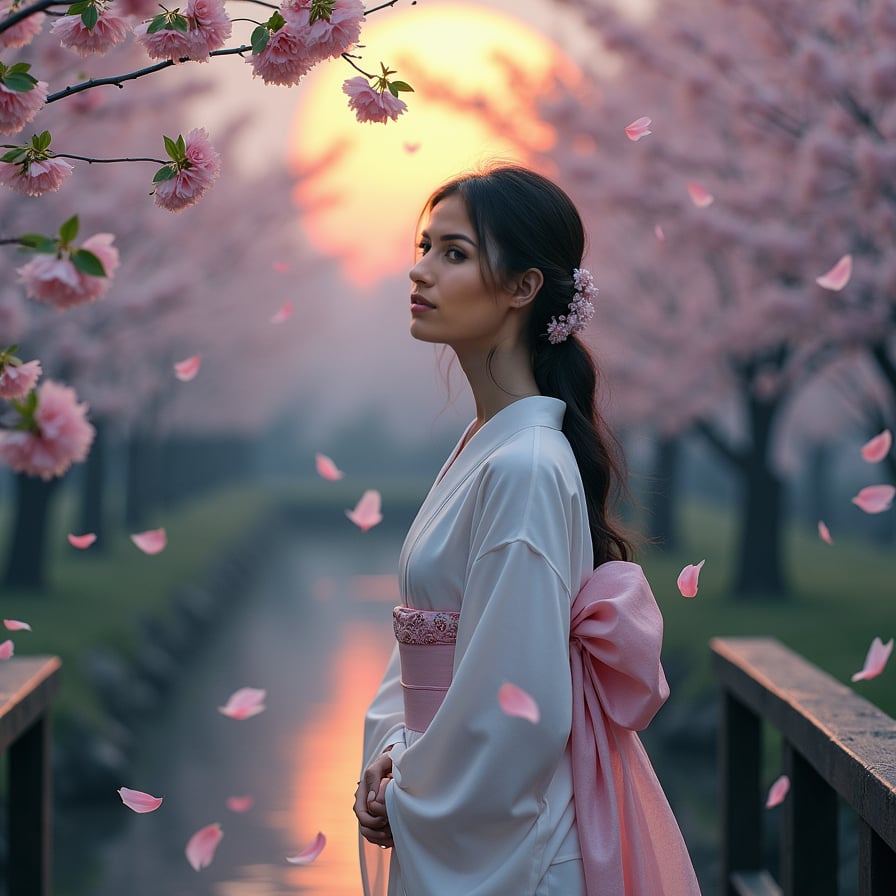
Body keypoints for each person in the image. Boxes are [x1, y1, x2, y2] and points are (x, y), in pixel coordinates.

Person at [353, 165, 701, 896]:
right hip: (442, 778)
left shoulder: (525, 465)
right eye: (423, 246)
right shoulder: (492, 446)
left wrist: (410, 781)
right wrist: (390, 749)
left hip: (520, 846)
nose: (418, 271)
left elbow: (517, 705)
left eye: (453, 253)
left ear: (523, 287)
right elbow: (424, 637)